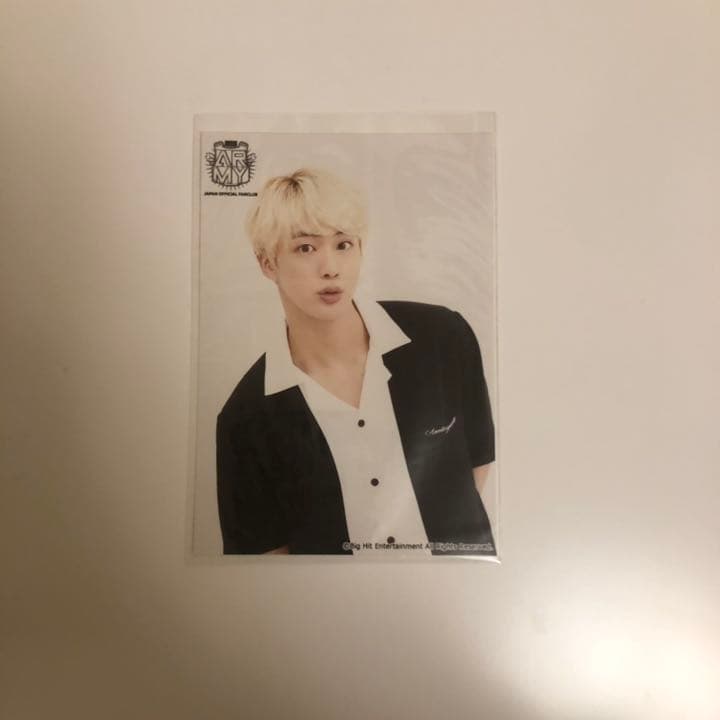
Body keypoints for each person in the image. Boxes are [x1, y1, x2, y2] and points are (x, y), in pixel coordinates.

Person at [216, 168, 496, 556]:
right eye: (305, 248)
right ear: (267, 264)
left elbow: (476, 464)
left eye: (343, 244)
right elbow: (268, 560)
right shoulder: (244, 418)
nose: (330, 268)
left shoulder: (444, 337)